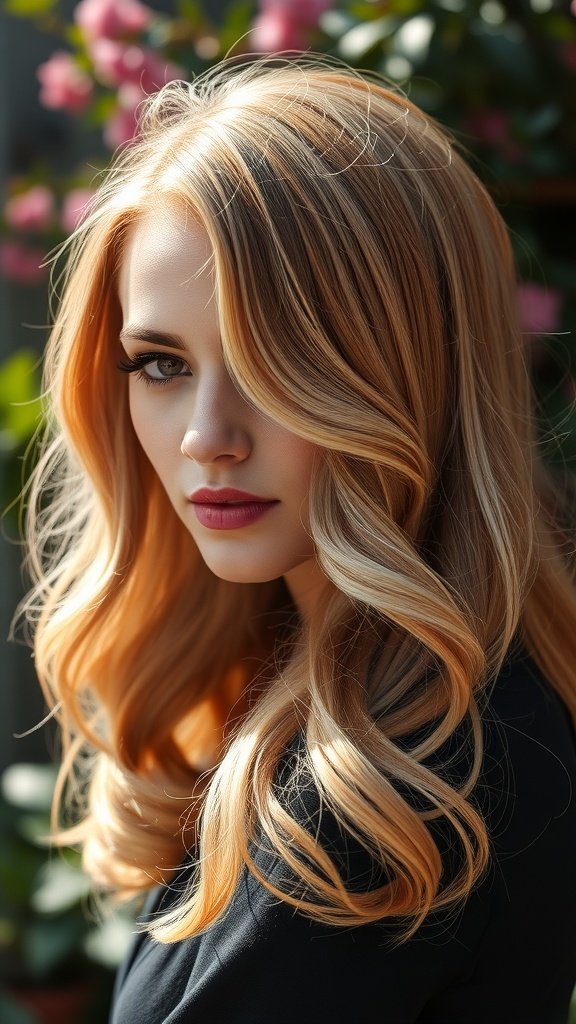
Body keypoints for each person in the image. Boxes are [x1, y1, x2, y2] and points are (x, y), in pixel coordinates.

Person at [21, 55, 576, 1023]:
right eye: (160, 363)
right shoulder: (412, 718)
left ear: (407, 368)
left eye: (271, 359)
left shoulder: (394, 792)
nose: (206, 437)